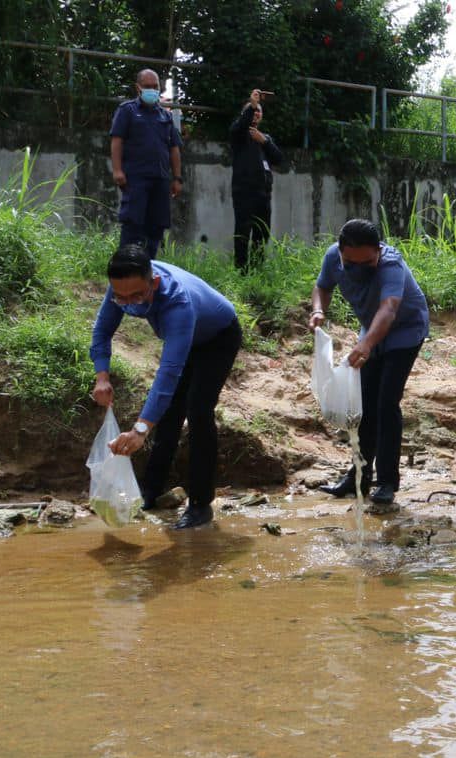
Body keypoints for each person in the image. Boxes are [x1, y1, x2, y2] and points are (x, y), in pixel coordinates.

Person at [89, 244, 241, 529]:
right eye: (121, 297)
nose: (128, 301)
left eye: (136, 296)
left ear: (154, 282)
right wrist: (102, 376)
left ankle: (200, 504)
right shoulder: (122, 289)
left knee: (198, 410)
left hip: (217, 338)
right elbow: (102, 331)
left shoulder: (177, 304)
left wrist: (141, 429)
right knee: (169, 412)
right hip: (185, 337)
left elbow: (168, 373)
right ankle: (151, 490)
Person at [310, 219, 430, 505]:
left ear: (378, 251)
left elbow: (389, 309)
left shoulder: (391, 265)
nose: (358, 269)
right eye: (351, 263)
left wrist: (365, 344)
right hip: (371, 330)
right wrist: (317, 310)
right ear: (341, 252)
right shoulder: (333, 257)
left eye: (367, 263)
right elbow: (322, 287)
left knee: (386, 403)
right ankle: (357, 477)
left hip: (404, 331)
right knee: (364, 406)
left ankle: (387, 482)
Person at [109, 69, 183, 259]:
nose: (152, 90)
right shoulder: (127, 111)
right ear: (138, 88)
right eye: (148, 86)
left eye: (155, 86)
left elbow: (174, 148)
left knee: (157, 226)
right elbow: (117, 140)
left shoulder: (165, 116)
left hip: (160, 180)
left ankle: (148, 268)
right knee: (133, 224)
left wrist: (177, 178)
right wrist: (117, 170)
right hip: (135, 179)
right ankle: (126, 268)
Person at [230, 88, 286, 271]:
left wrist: (265, 142)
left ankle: (257, 270)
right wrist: (252, 104)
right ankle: (241, 271)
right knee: (243, 233)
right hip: (244, 192)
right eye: (252, 111)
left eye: (258, 111)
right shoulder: (238, 134)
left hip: (263, 194)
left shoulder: (264, 138)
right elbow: (240, 125)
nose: (255, 114)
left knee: (261, 233)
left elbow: (279, 159)